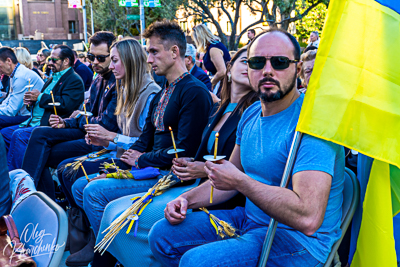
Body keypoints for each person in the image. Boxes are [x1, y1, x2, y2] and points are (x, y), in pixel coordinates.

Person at [149, 28, 345, 267]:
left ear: (297, 69)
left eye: (280, 62)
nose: (268, 70)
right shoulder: (251, 112)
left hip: (297, 241)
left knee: (196, 262)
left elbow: (308, 217)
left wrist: (240, 181)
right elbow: (228, 179)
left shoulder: (313, 122)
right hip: (249, 221)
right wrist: (186, 199)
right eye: (257, 62)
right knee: (161, 235)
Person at [96, 47, 259, 267]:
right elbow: (193, 150)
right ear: (228, 70)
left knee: (126, 219)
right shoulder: (217, 107)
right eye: (246, 61)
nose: (251, 67)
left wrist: (201, 168)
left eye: (254, 63)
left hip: (223, 195)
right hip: (196, 183)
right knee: (111, 211)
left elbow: (242, 168)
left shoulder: (254, 112)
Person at [71, 20, 213, 267]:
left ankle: (112, 258)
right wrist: (134, 155)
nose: (149, 59)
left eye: (154, 51)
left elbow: (183, 151)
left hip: (171, 175)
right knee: (82, 182)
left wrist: (140, 158)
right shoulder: (162, 92)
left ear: (175, 52)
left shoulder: (193, 91)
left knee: (94, 192)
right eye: (148, 52)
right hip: (151, 167)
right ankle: (116, 254)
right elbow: (146, 137)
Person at [58, 37, 161, 266]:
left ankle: (106, 251)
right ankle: (92, 240)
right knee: (66, 170)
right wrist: (104, 140)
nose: (110, 66)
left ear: (130, 61)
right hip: (120, 156)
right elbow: (126, 140)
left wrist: (111, 138)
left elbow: (145, 144)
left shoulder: (150, 94)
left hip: (142, 166)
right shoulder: (125, 87)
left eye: (113, 60)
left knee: (81, 184)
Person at [21, 31, 118, 201]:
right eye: (91, 56)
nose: (94, 62)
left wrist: (75, 118)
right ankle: (41, 201)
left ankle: (31, 197)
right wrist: (66, 122)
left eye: (101, 58)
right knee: (37, 142)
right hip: (88, 131)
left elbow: (103, 125)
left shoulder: (115, 81)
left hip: (101, 140)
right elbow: (88, 114)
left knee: (37, 140)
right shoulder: (99, 78)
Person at [1, 45, 85, 171]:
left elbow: (65, 104)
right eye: (50, 59)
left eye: (54, 60)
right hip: (33, 121)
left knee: (19, 135)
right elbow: (39, 104)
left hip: (52, 124)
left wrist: (39, 97)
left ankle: (17, 176)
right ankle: (9, 171)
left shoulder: (73, 79)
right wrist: (30, 103)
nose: (50, 63)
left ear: (66, 61)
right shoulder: (52, 78)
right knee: (5, 133)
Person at [0, 47, 44, 129]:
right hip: (23, 114)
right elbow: (8, 100)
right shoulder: (15, 73)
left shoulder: (21, 76)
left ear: (9, 61)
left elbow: (11, 110)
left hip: (31, 117)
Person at [191, 24, 231, 93]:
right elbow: (207, 66)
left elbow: (222, 71)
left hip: (223, 85)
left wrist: (211, 83)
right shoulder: (211, 47)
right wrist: (193, 62)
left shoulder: (213, 49)